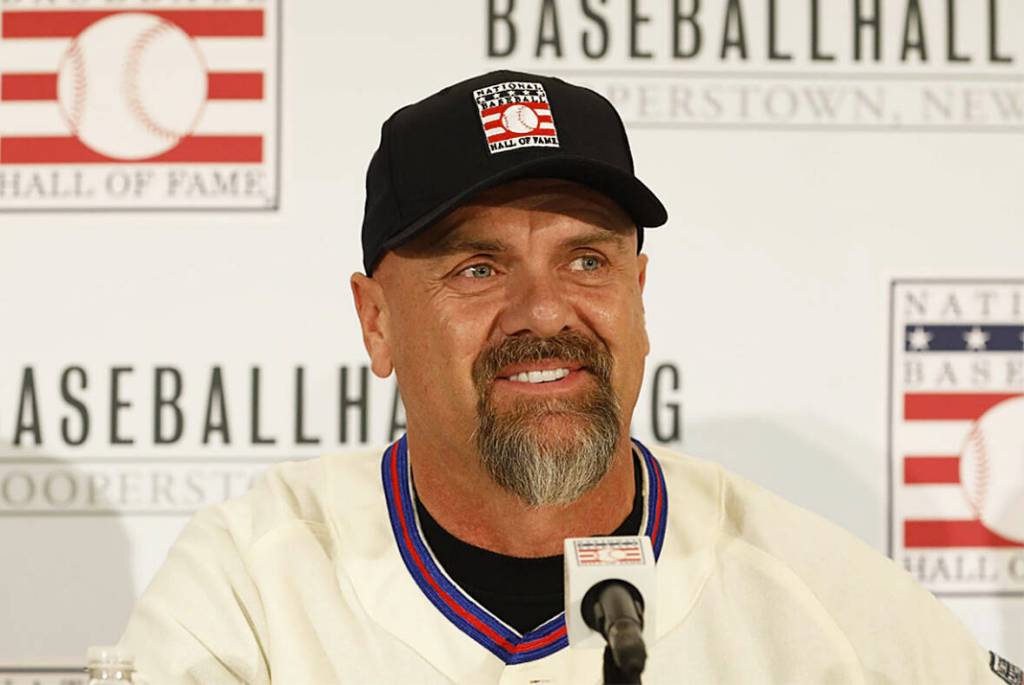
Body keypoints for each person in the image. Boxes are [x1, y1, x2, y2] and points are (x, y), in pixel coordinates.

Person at [118, 70, 1018, 684]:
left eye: (587, 261)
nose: (545, 311)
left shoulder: (822, 604)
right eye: (479, 267)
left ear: (638, 293)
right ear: (377, 320)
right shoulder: (252, 590)